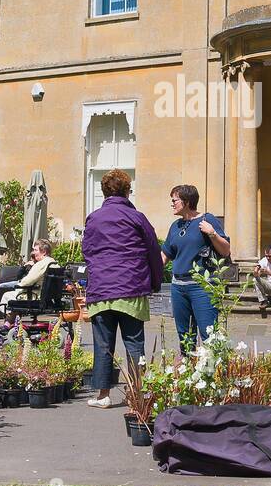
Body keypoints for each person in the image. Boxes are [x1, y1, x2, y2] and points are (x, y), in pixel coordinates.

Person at [82, 169, 162, 409]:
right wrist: (155, 283)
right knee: (134, 344)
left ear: (104, 191)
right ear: (128, 191)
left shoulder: (93, 218)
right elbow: (153, 253)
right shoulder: (137, 217)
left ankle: (103, 395)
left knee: (103, 345)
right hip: (131, 287)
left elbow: (87, 251)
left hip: (101, 289)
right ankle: (138, 393)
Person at [161, 184, 230, 351]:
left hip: (202, 287)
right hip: (178, 287)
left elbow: (226, 250)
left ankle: (214, 374)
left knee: (209, 335)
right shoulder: (175, 226)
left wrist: (212, 233)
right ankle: (188, 372)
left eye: (174, 200)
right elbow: (164, 255)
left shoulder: (207, 220)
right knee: (185, 337)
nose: (172, 204)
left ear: (186, 201)